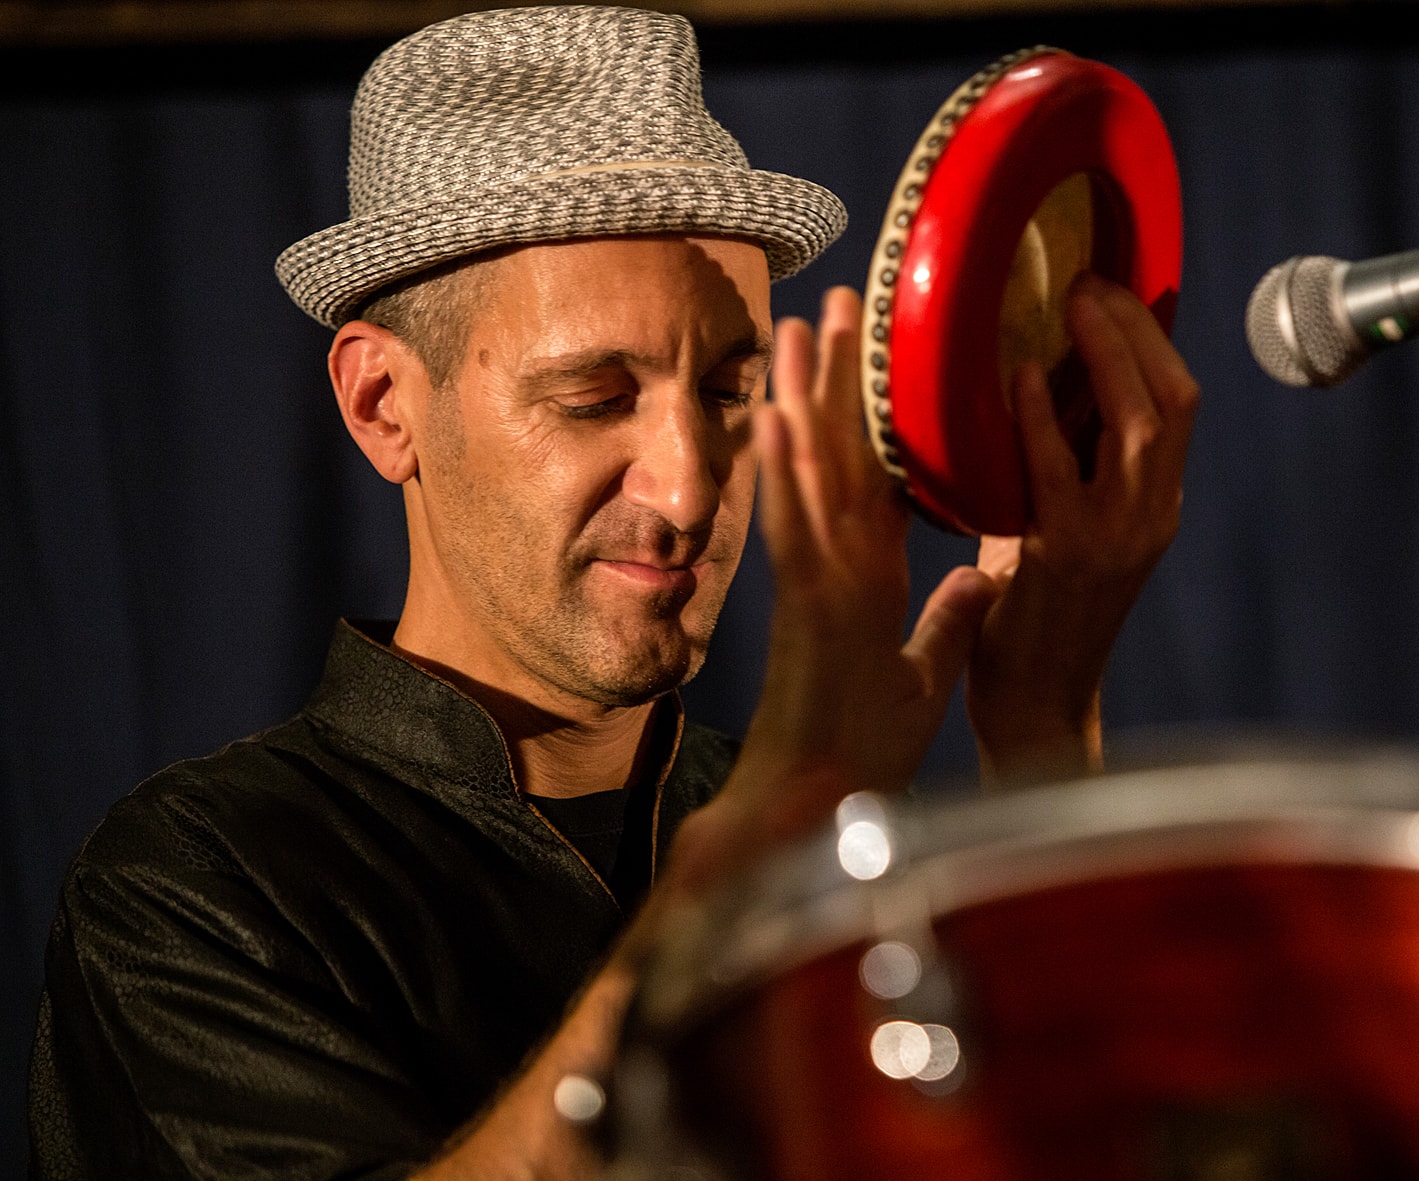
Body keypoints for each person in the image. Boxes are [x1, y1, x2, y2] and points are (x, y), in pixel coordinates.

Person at [27, 6, 1198, 1179]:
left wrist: (1041, 727)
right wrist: (747, 861)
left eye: (730, 390)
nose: (690, 487)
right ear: (384, 404)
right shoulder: (195, 882)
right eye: (593, 399)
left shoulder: (819, 830)